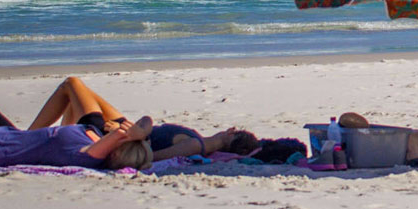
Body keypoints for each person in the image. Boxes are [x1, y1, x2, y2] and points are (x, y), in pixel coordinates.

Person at [27, 76, 257, 163]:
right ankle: (50, 140)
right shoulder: (197, 141)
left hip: (115, 135)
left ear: (230, 133)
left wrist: (129, 135)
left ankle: (27, 138)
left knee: (72, 85)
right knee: (77, 91)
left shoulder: (195, 145)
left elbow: (150, 158)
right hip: (127, 126)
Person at [0, 78, 153, 170]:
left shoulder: (91, 155)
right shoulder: (94, 133)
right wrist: (140, 135)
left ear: (117, 151)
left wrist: (132, 135)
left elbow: (131, 130)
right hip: (9, 135)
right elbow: (146, 121)